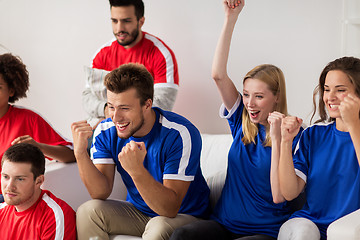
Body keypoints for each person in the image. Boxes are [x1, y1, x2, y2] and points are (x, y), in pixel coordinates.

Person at [169, 1, 303, 240]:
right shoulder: (242, 121)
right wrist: (230, 19)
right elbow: (218, 75)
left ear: (277, 98)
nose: (250, 103)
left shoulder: (293, 135)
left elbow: (279, 195)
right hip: (223, 225)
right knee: (182, 236)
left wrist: (277, 135)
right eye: (246, 94)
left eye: (259, 96)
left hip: (264, 231)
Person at [72, 63, 210, 240]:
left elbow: (169, 209)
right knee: (87, 212)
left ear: (147, 104)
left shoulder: (180, 134)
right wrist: (80, 153)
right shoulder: (106, 130)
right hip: (139, 212)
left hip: (185, 216)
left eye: (125, 108)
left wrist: (136, 170)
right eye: (111, 107)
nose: (116, 117)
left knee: (158, 226)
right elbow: (100, 192)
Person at [278, 56, 360, 240]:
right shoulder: (313, 134)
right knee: (303, 233)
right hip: (307, 224)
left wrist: (353, 125)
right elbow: (290, 193)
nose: (330, 97)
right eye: (326, 89)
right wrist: (285, 141)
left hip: (349, 229)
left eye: (340, 90)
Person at [82, 0, 179, 128]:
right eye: (114, 21)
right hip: (104, 127)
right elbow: (87, 98)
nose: (119, 28)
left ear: (141, 21)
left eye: (126, 21)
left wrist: (115, 119)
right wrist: (107, 111)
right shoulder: (102, 54)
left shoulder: (161, 54)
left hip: (144, 132)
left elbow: (162, 105)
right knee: (80, 136)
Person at [0, 53, 75, 202]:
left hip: (9, 200)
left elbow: (71, 155)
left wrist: (38, 146)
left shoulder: (27, 119)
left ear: (11, 91)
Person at [0, 143, 76, 239]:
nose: (10, 186)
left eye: (20, 179)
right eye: (5, 177)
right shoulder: (1, 210)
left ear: (39, 181)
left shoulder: (55, 216)